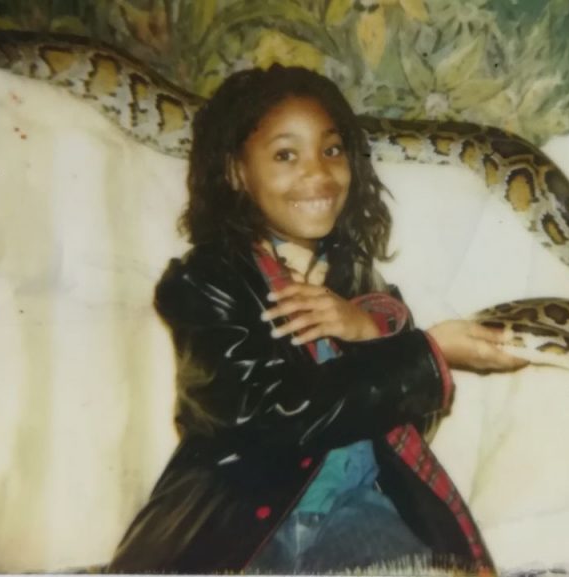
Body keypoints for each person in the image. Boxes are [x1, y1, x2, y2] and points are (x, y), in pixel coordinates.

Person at [107, 64, 527, 575]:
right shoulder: (207, 281)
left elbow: (410, 425)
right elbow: (261, 418)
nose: (318, 173)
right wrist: (426, 353)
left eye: (332, 150)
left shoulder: (361, 284)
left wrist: (369, 331)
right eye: (286, 155)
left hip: (354, 517)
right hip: (235, 526)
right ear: (237, 172)